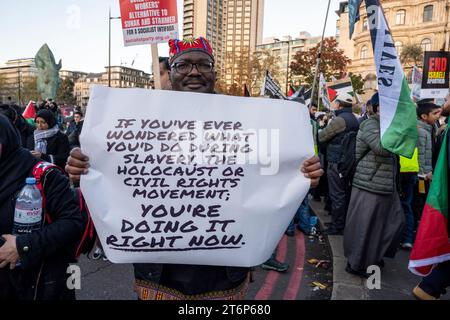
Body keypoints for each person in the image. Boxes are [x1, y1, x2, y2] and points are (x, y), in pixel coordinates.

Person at [65, 36, 324, 300]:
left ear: (214, 73)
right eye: (183, 65)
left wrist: (299, 175)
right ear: (170, 72)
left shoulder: (245, 119)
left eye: (204, 65)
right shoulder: (139, 117)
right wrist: (82, 168)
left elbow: (269, 169)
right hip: (159, 267)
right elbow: (114, 168)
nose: (194, 72)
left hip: (224, 266)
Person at [0, 114, 83, 300]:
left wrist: (23, 246)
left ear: (6, 140)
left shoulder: (45, 175)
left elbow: (72, 223)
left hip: (37, 284)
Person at [343, 93, 405, 277]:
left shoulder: (385, 125)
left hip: (385, 184)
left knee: (392, 223)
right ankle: (356, 263)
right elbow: (382, 149)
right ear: (378, 107)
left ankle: (373, 256)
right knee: (364, 226)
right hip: (369, 183)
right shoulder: (370, 124)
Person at [319, 92, 359, 235]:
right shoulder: (354, 118)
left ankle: (337, 226)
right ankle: (340, 222)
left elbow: (322, 137)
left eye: (335, 102)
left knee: (337, 195)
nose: (333, 104)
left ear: (339, 104)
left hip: (337, 162)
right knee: (344, 194)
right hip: (347, 162)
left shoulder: (340, 120)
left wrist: (323, 126)